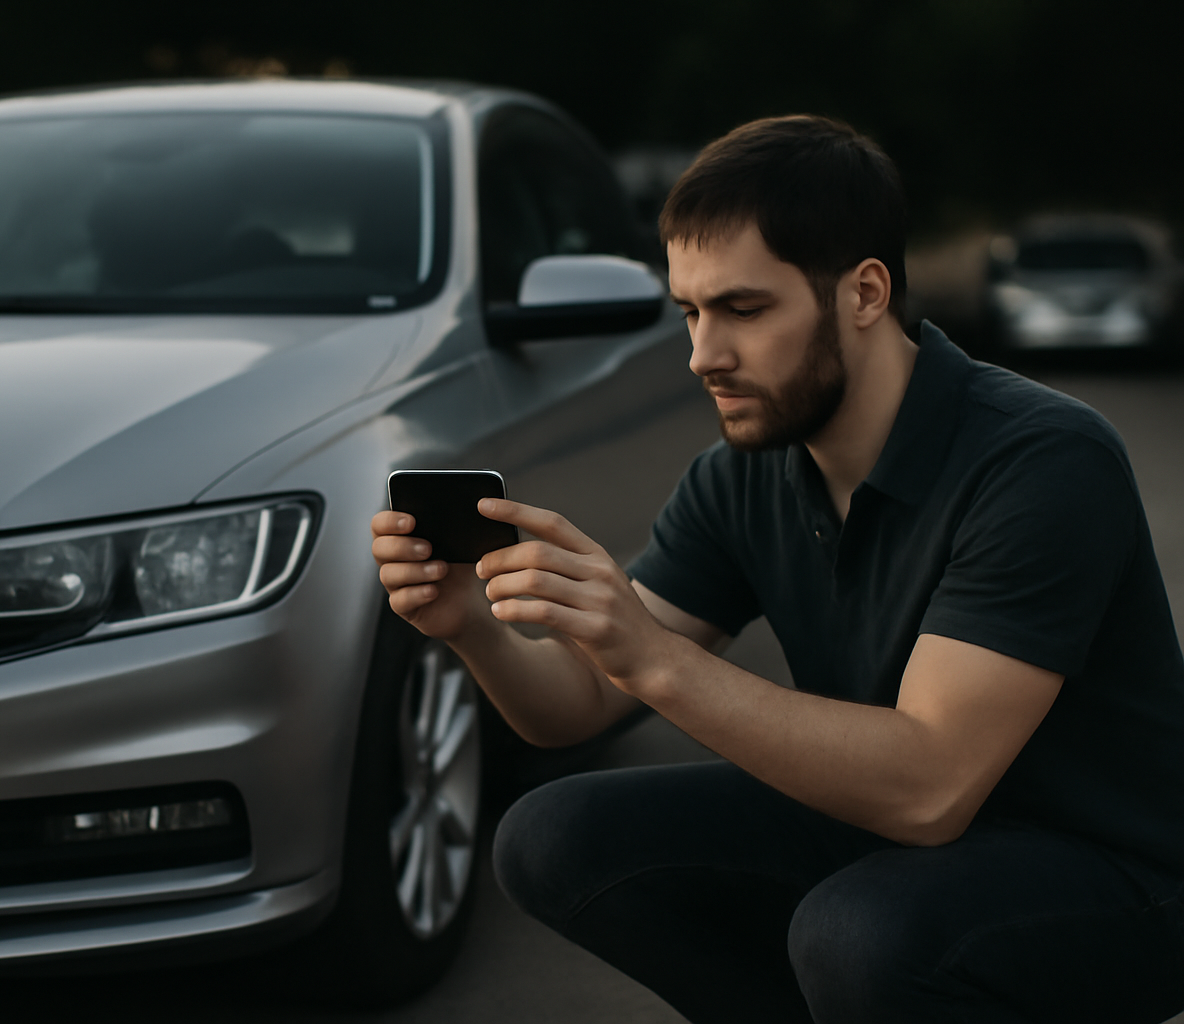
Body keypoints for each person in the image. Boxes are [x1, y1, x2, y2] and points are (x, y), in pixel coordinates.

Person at [369, 115, 1184, 1023]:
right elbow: (578, 710)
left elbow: (930, 790)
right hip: (896, 832)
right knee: (549, 837)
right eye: (691, 311)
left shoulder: (1042, 460)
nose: (702, 355)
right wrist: (473, 627)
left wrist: (655, 657)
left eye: (744, 311)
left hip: (1117, 878)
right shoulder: (745, 474)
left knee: (857, 931)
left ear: (865, 293)